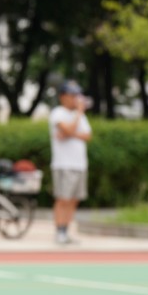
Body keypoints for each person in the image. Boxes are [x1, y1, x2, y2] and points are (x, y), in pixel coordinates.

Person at [48, 79, 91, 246]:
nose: (75, 99)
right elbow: (69, 129)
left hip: (80, 164)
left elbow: (87, 136)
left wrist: (69, 134)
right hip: (63, 164)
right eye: (72, 95)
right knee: (63, 198)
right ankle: (59, 231)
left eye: (76, 95)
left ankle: (66, 231)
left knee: (74, 199)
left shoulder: (79, 116)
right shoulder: (57, 113)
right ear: (62, 96)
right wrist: (78, 114)